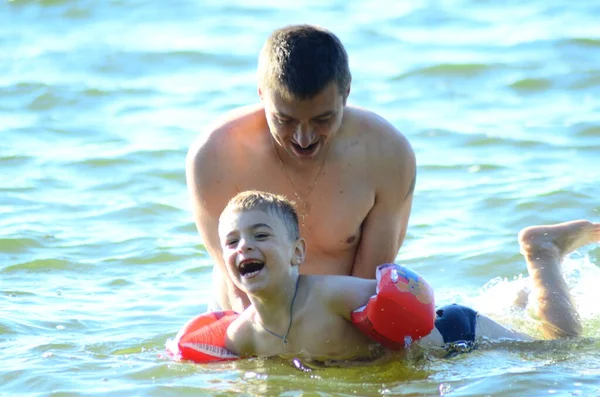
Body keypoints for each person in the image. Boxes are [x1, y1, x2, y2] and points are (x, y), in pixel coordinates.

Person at [186, 24, 417, 312]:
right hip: (247, 316)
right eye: (285, 120)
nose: (303, 138)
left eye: (323, 119)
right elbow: (237, 289)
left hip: (341, 317)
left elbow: (368, 289)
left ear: (346, 93)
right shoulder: (214, 155)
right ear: (261, 95)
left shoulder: (388, 153)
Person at [217, 190, 598, 361]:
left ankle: (542, 253)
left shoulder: (330, 295)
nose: (244, 247)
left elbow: (409, 303)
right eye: (232, 242)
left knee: (559, 351)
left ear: (297, 252)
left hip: (455, 334)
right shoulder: (243, 335)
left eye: (260, 235)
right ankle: (519, 298)